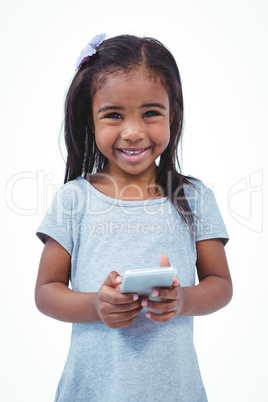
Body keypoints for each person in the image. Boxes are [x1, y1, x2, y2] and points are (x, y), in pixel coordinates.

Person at [35, 33, 233, 401]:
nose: (133, 132)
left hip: (175, 390)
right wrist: (96, 304)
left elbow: (220, 284)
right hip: (93, 390)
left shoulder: (194, 197)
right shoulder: (73, 200)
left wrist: (183, 301)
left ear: (173, 113)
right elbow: (46, 293)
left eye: (151, 113)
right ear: (90, 119)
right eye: (113, 115)